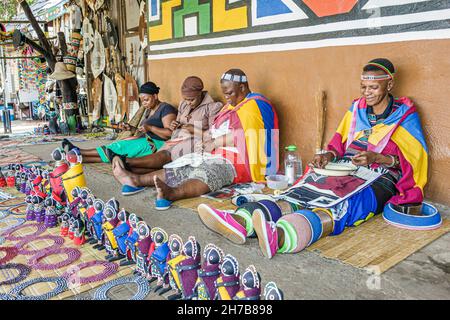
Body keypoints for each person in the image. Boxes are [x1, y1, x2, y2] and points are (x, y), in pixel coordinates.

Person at [197, 58, 429, 258]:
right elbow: (339, 143)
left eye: (373, 88)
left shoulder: (405, 114)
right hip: (348, 166)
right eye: (363, 87)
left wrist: (377, 157)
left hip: (381, 175)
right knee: (307, 188)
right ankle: (242, 222)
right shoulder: (357, 108)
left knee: (346, 204)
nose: (366, 93)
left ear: (389, 84)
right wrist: (327, 155)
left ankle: (279, 236)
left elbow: (412, 162)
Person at [112, 69, 279, 209]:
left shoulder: (255, 105)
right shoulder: (232, 106)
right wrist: (205, 140)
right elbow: (213, 130)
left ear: (242, 87)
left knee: (209, 172)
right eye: (224, 93)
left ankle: (172, 194)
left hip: (241, 161)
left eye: (229, 93)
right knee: (183, 165)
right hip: (217, 152)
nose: (226, 97)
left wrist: (213, 143)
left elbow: (247, 135)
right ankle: (136, 180)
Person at [62, 82, 177, 167]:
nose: (144, 103)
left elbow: (169, 134)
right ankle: (80, 159)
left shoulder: (166, 108)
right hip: (143, 140)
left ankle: (79, 151)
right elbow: (142, 130)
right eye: (142, 101)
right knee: (118, 150)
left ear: (155, 96)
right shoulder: (149, 110)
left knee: (118, 148)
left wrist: (150, 127)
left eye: (146, 99)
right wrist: (130, 128)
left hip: (157, 144)